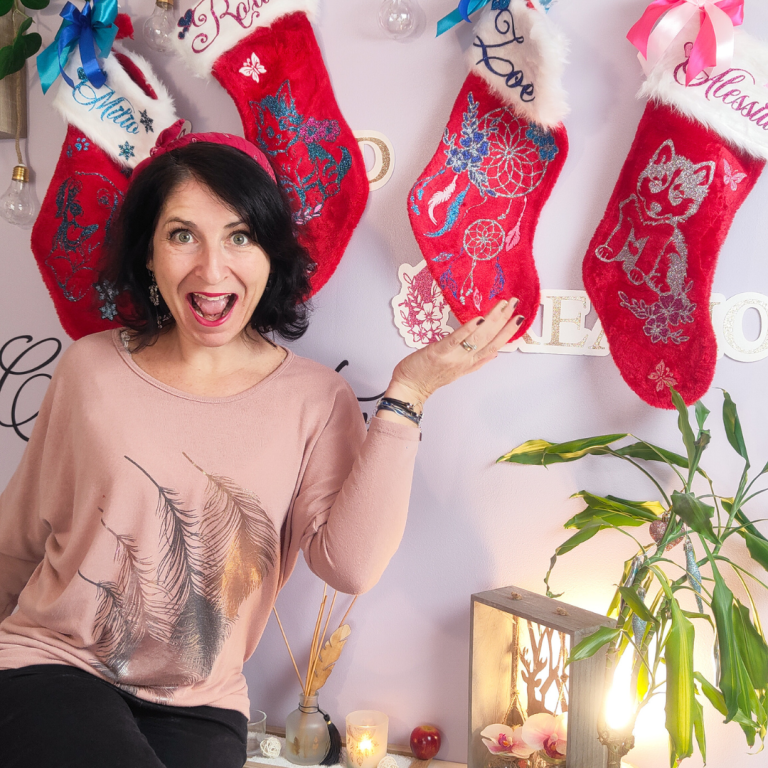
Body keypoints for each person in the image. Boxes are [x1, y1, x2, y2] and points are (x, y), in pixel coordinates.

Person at [0, 128, 524, 768]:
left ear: (271, 253)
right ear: (149, 254)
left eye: (240, 236)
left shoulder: (316, 399)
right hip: (55, 665)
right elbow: (18, 539)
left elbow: (349, 567)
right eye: (182, 235)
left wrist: (408, 393)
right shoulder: (91, 370)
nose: (211, 269)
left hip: (202, 702)